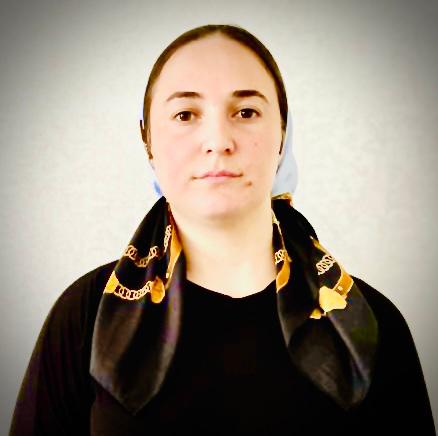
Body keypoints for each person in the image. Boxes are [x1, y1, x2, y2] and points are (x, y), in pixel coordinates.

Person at [10, 24, 435, 435]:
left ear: (282, 134)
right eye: (185, 114)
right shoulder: (86, 315)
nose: (218, 140)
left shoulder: (367, 323)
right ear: (148, 141)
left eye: (246, 112)